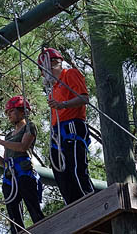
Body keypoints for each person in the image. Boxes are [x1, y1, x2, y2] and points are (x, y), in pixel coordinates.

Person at [0, 96, 45, 234]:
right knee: (14, 217)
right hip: (10, 176)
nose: (8, 114)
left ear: (22, 111)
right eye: (7, 112)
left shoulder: (29, 127)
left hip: (24, 174)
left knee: (33, 209)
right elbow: (4, 162)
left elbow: (23, 147)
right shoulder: (9, 136)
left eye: (12, 111)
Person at [39, 47, 93, 204]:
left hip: (72, 126)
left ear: (53, 63)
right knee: (61, 173)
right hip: (58, 131)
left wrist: (63, 105)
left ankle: (88, 200)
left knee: (75, 167)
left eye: (43, 67)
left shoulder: (69, 74)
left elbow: (84, 98)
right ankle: (73, 204)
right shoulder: (54, 88)